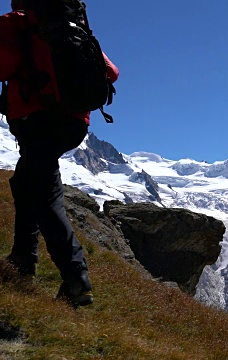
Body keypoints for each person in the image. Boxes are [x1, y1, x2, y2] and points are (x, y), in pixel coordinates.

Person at [0, 0, 119, 306]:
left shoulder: (20, 21)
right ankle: (21, 261)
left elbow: (4, 63)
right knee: (35, 185)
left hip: (37, 119)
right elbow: (111, 72)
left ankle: (75, 277)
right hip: (74, 123)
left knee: (35, 192)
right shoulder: (73, 25)